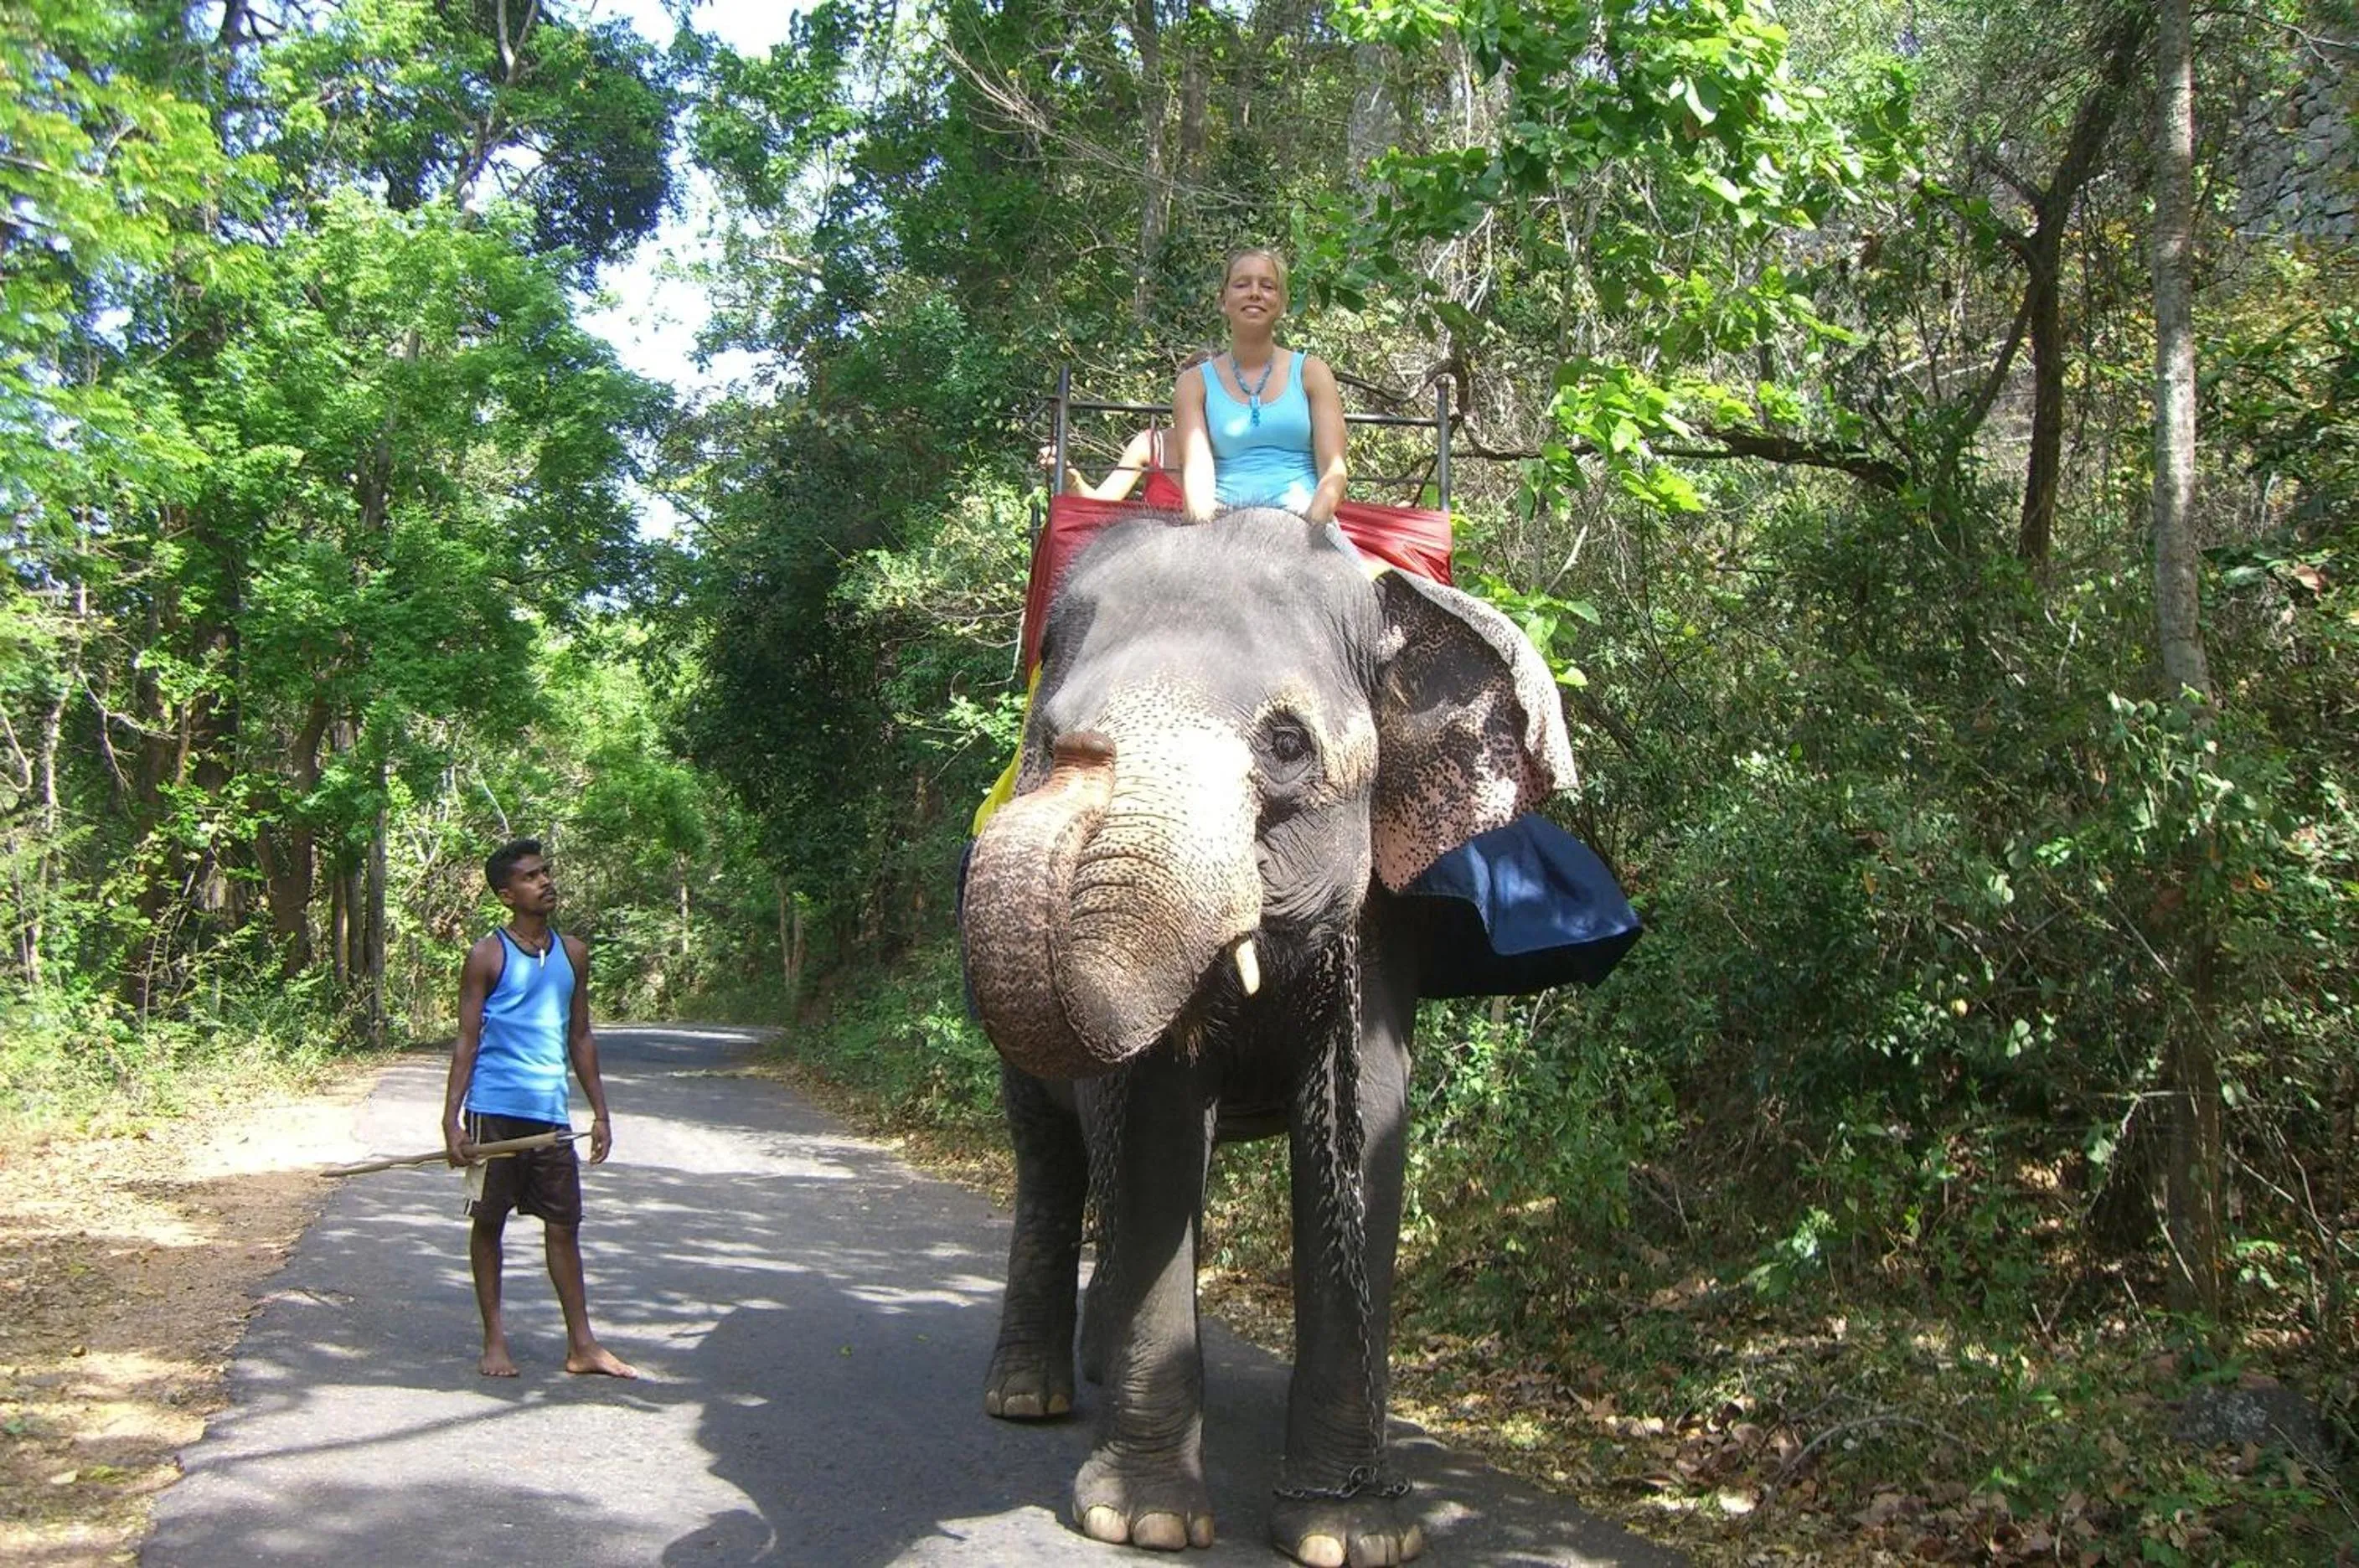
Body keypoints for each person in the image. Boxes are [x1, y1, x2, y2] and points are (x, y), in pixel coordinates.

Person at [441, 838, 637, 1380]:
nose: (545, 882)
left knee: (563, 1226)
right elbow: (466, 1040)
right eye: (531, 877)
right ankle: (495, 1341)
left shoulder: (572, 953)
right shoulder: (487, 955)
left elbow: (581, 1035)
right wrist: (451, 1120)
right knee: (488, 1224)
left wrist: (600, 1113)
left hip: (550, 1115)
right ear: (507, 895)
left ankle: (583, 1345)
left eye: (546, 872)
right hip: (491, 1113)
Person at [1171, 248, 1348, 523]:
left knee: (1355, 568)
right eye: (1242, 284)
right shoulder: (1193, 384)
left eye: (1267, 286)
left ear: (1282, 302)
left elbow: (1334, 471)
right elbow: (1197, 480)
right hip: (1224, 524)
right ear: (1223, 299)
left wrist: (1310, 526)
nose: (1255, 293)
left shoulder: (1313, 373)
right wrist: (1207, 537)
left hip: (1306, 521)